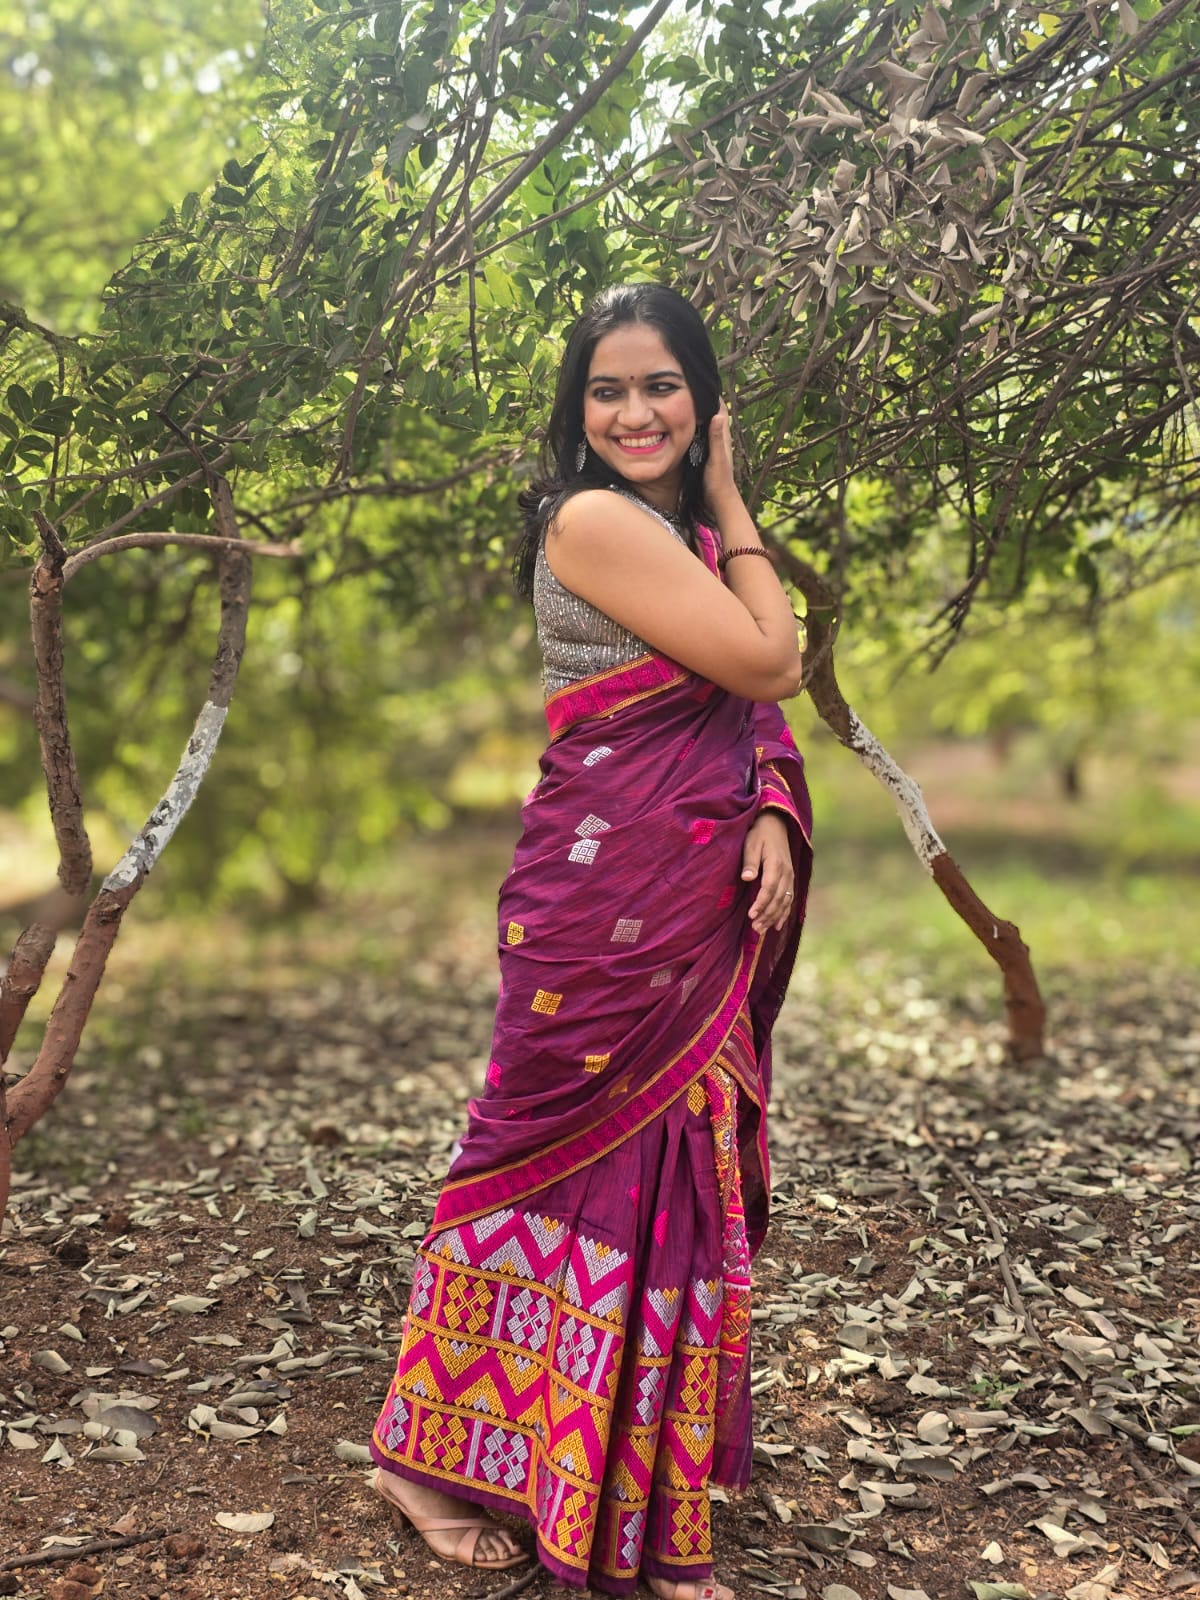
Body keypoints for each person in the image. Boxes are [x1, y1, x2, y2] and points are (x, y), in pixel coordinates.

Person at [369, 283, 812, 1600]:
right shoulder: (598, 519)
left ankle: (635, 1480)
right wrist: (737, 503)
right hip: (596, 907)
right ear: (576, 411)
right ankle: (416, 1454)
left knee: (671, 1174)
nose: (635, 411)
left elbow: (748, 713)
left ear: (700, 395)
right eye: (607, 390)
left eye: (662, 385)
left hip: (683, 896)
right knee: (526, 1157)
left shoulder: (663, 529)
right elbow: (770, 660)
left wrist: (775, 813)